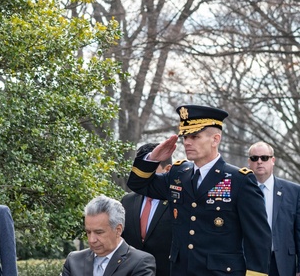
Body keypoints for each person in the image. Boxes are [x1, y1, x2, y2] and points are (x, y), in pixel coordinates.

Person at [127, 104, 271, 276]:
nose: (187, 142)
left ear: (215, 139)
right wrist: (152, 159)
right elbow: (138, 185)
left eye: (195, 136)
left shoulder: (239, 180)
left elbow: (258, 239)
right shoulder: (178, 174)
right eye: (185, 136)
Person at [61, 195, 156, 276]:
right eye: (88, 232)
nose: (91, 240)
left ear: (118, 230)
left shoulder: (140, 263)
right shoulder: (73, 261)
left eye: (99, 232)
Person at [247, 141, 300, 276]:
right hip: (250, 263)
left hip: (282, 263)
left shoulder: (293, 191)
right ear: (249, 162)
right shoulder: (242, 190)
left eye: (264, 158)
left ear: (273, 160)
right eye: (254, 158)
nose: (259, 162)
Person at [121, 143, 172, 276]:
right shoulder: (127, 201)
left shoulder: (177, 202)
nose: (143, 175)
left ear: (167, 169)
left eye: (150, 169)